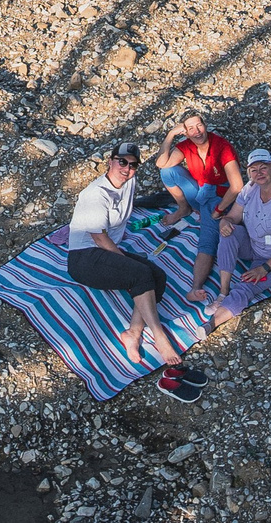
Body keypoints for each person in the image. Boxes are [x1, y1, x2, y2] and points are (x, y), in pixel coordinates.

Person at [66, 142, 187, 373]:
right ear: (110, 161)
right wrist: (126, 261)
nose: (127, 169)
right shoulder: (95, 194)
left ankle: (133, 332)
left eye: (132, 165)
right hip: (84, 257)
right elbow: (99, 238)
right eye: (122, 162)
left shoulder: (129, 182)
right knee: (140, 273)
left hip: (104, 250)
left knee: (157, 275)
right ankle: (159, 336)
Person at [154, 111, 245, 304]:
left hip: (219, 197)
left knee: (207, 242)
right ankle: (184, 208)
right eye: (191, 128)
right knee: (168, 172)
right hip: (201, 191)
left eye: (199, 125)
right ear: (185, 132)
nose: (197, 131)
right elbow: (161, 163)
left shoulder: (222, 147)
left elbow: (237, 186)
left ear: (205, 125)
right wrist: (170, 134)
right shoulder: (187, 145)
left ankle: (195, 288)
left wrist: (218, 210)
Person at [210, 147, 271, 322]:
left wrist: (264, 268)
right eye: (254, 170)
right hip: (253, 244)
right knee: (228, 234)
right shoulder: (250, 189)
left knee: (247, 287)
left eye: (263, 168)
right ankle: (223, 292)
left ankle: (212, 324)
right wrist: (225, 221)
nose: (259, 173)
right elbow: (233, 217)